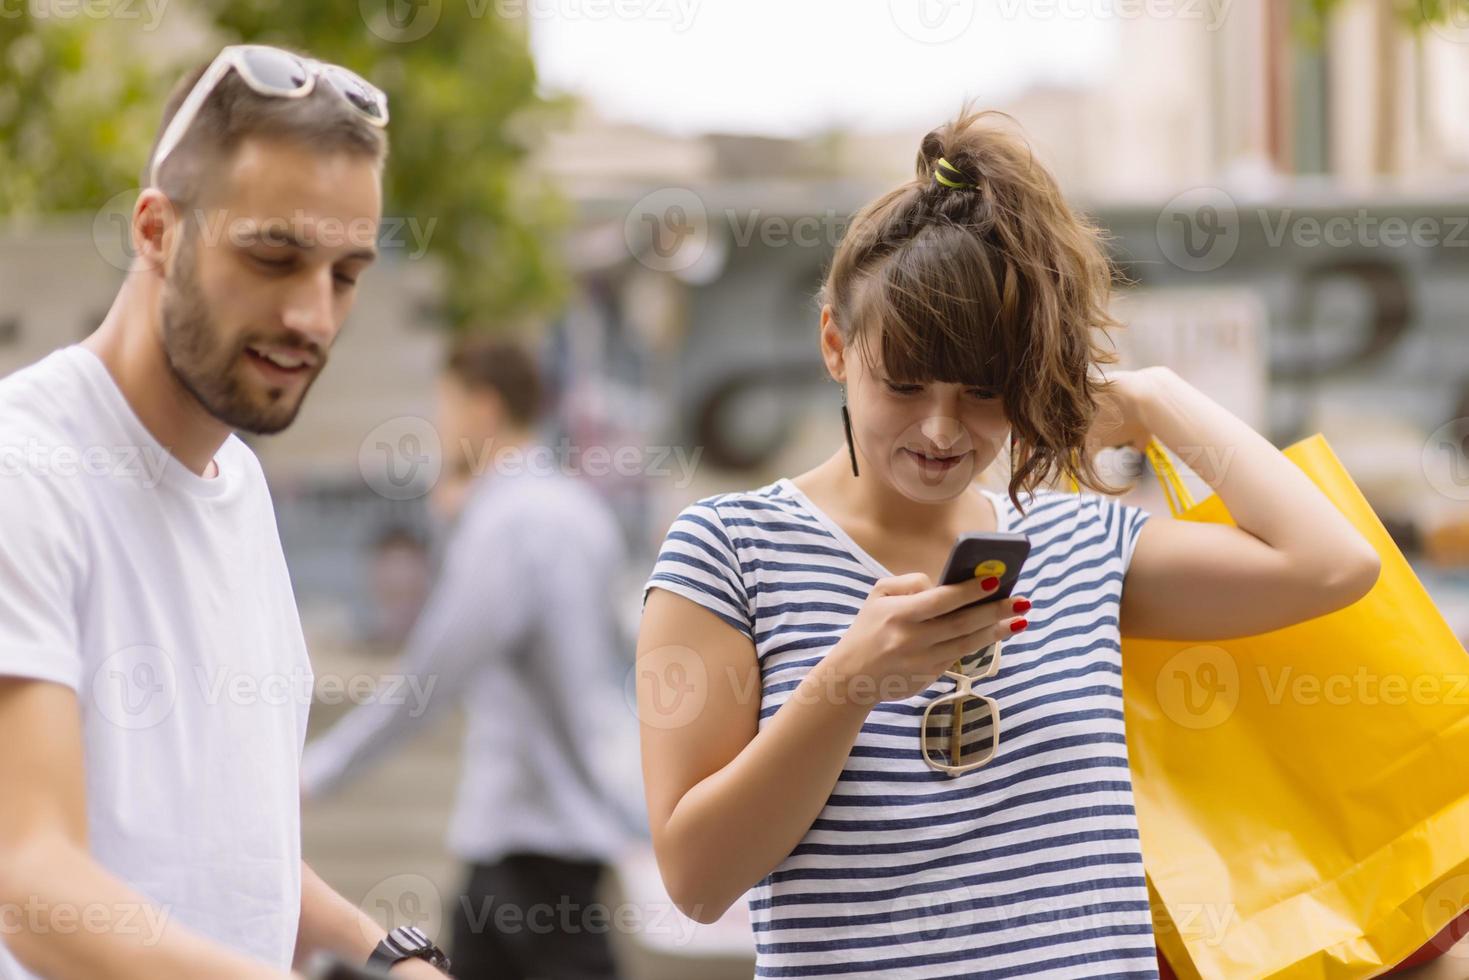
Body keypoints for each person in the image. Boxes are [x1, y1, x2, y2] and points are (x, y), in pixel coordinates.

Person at [636, 106, 1382, 979]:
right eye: (905, 385)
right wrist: (848, 683)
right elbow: (695, 879)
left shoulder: (1076, 543)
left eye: (984, 391)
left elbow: (1334, 564)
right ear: (835, 344)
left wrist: (1150, 399)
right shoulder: (729, 550)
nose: (942, 428)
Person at [0, 46, 450, 979]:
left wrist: (389, 955)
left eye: (345, 273)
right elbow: (29, 880)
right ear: (158, 231)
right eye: (274, 256)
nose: (312, 316)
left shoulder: (237, 485)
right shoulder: (25, 469)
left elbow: (218, 861)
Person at [302, 337, 636, 980]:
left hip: (528, 844)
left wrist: (316, 772)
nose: (438, 431)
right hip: (556, 834)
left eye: (445, 410)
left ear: (482, 410)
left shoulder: (509, 521)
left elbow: (430, 676)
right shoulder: (578, 511)